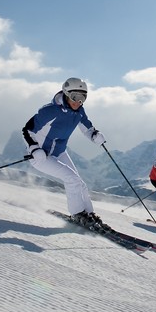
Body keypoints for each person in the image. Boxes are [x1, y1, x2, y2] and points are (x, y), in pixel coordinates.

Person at [22, 77, 106, 229]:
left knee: (80, 183)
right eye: (75, 97)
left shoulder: (79, 110)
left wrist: (94, 135)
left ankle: (89, 214)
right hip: (41, 156)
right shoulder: (49, 111)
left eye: (82, 98)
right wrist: (34, 148)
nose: (78, 102)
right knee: (72, 179)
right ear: (67, 94)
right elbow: (27, 129)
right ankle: (77, 214)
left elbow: (86, 127)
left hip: (59, 152)